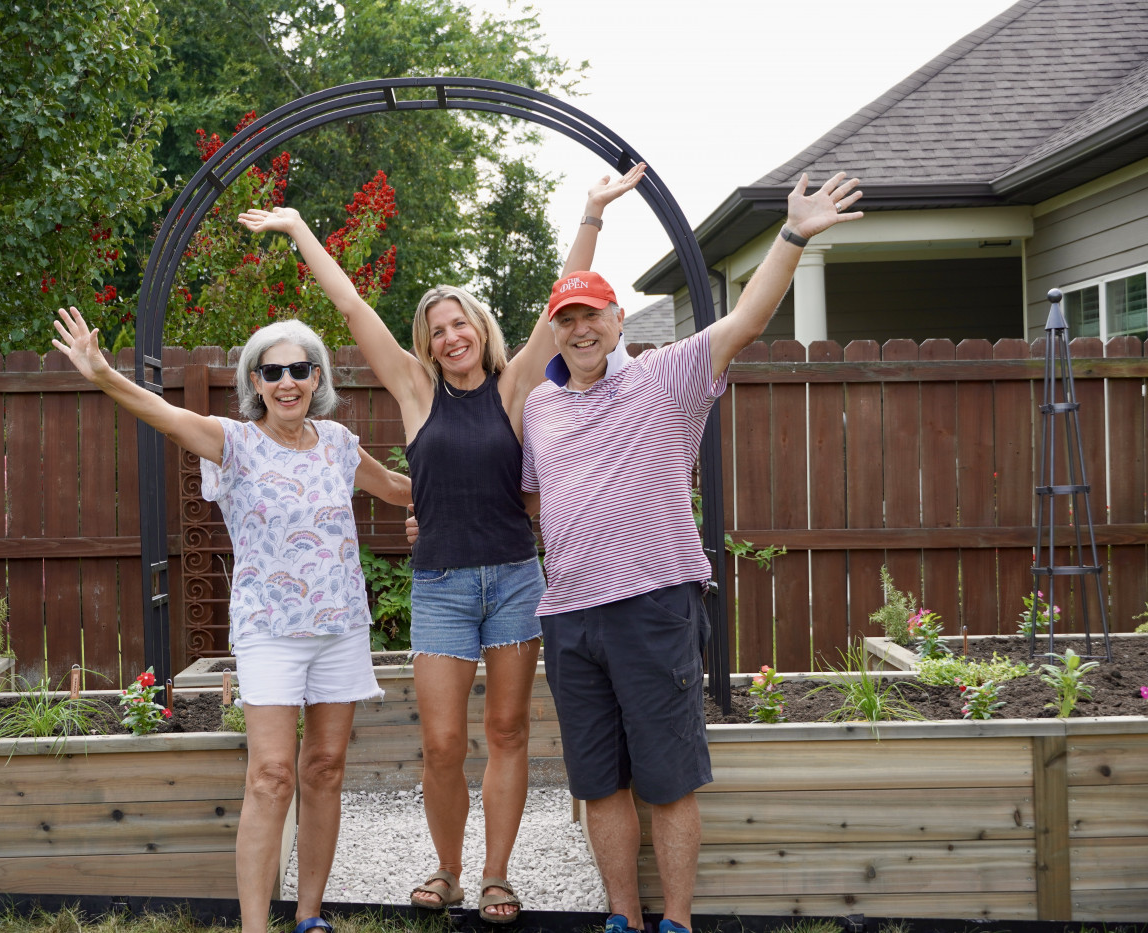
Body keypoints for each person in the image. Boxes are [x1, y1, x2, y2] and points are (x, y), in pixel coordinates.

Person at [238, 164, 645, 924]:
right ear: (426, 344)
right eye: (437, 329)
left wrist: (591, 210)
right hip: (443, 587)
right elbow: (353, 306)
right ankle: (448, 869)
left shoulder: (517, 383)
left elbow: (567, 286)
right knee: (443, 742)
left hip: (517, 581)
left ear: (481, 329)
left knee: (507, 730)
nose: (451, 336)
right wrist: (299, 231)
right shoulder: (415, 391)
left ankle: (496, 875)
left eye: (461, 322)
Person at [520, 171, 864, 933]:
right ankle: (624, 918)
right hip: (570, 619)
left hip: (653, 605)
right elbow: (535, 497)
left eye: (592, 315)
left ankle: (674, 922)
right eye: (566, 317)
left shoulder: (666, 376)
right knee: (599, 782)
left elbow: (746, 316)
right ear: (553, 328)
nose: (580, 328)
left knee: (669, 781)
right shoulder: (539, 408)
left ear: (616, 319)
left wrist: (794, 234)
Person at [51, 309, 411, 933]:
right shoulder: (232, 442)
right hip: (270, 630)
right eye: (272, 372)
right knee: (271, 775)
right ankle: (254, 926)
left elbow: (402, 490)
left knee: (324, 767)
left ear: (317, 376)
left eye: (299, 369)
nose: (287, 382)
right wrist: (104, 374)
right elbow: (163, 415)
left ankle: (310, 915)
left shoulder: (339, 444)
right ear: (255, 382)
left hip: (340, 627)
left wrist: (484, 482)